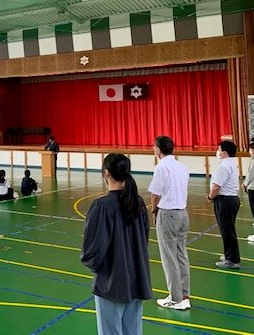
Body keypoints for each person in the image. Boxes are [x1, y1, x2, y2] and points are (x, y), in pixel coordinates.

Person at [81, 154, 152, 335]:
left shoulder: (102, 206)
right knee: (133, 330)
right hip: (136, 275)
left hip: (111, 281)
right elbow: (144, 238)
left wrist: (95, 267)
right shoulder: (138, 203)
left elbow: (93, 249)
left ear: (106, 173)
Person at [148, 135, 191, 310]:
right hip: (183, 214)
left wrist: (154, 211)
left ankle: (175, 298)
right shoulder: (182, 167)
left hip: (168, 214)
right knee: (181, 255)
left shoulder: (161, 167)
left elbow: (155, 194)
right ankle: (184, 295)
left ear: (158, 149)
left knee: (169, 257)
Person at [208, 140, 241, 269]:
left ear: (224, 153)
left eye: (219, 149)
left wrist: (210, 197)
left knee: (227, 231)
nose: (217, 151)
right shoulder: (231, 163)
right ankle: (230, 255)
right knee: (228, 230)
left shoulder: (224, 166)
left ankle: (231, 260)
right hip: (231, 199)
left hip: (225, 200)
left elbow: (216, 186)